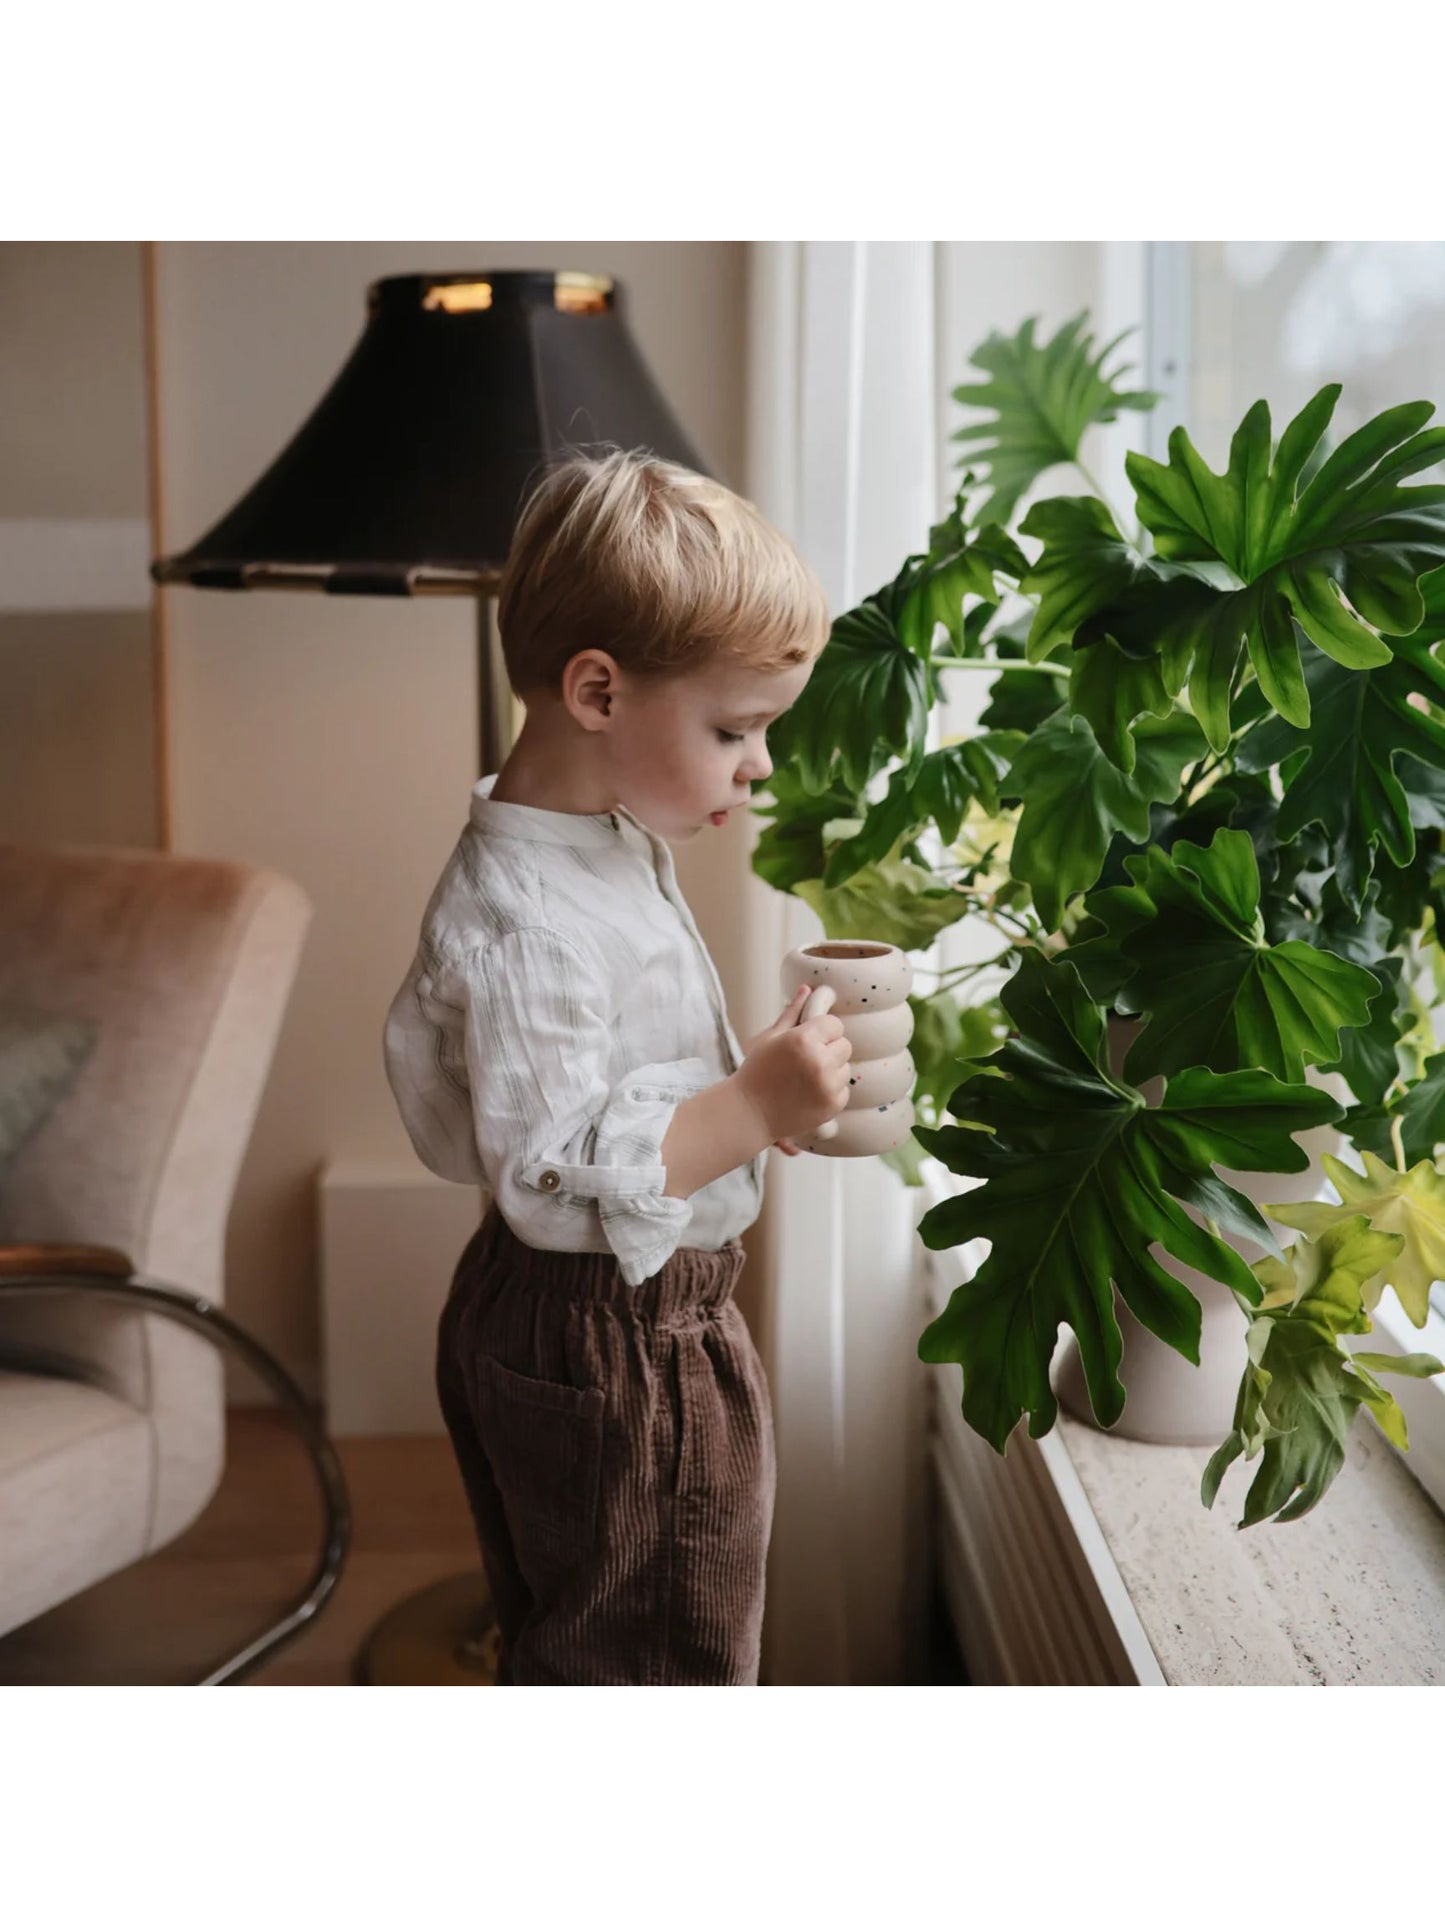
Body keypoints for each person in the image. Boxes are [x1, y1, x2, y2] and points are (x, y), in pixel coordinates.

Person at [382, 446, 851, 1685]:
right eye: (734, 728)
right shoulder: (529, 918)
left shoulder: (589, 846)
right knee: (646, 1662)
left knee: (580, 1628)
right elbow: (548, 1180)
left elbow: (586, 1092)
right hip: (619, 1340)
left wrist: (735, 1095)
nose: (758, 766)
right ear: (596, 691)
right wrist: (747, 1107)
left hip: (569, 1319)